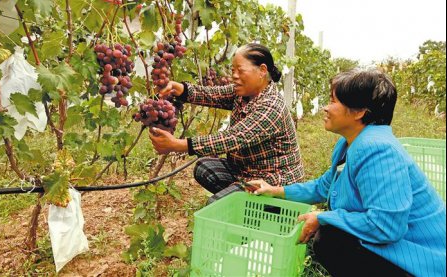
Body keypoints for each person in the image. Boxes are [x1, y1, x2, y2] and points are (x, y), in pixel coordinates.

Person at [248, 69, 446, 277]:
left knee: (330, 239)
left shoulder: (378, 150)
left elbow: (387, 226)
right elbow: (325, 186)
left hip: (424, 261)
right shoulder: (351, 143)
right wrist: (275, 191)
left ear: (359, 111)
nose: (325, 107)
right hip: (405, 246)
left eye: (333, 101)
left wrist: (324, 216)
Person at [149, 43, 304, 203]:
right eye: (233, 71)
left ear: (262, 71)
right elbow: (211, 95)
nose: (234, 76)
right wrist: (180, 89)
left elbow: (233, 138)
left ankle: (257, 208)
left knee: (216, 205)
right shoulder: (244, 93)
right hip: (247, 171)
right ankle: (243, 203)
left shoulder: (271, 106)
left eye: (240, 71)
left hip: (275, 180)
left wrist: (178, 145)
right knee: (204, 169)